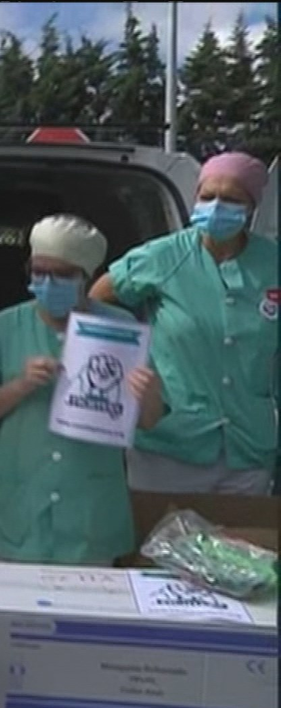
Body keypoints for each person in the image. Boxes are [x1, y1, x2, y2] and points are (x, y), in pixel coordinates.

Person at [0, 214, 166, 567]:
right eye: (39, 272)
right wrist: (20, 386)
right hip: (15, 517)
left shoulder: (122, 328)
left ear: (87, 276)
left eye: (62, 274)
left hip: (88, 521)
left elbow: (148, 420)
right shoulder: (4, 328)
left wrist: (147, 391)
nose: (48, 282)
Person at [90, 151, 277, 496]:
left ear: (251, 208)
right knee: (159, 546)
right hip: (169, 442)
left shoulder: (272, 264)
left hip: (248, 448)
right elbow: (97, 300)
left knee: (239, 546)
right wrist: (129, 365)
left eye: (231, 199)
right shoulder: (162, 257)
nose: (217, 206)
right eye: (208, 197)